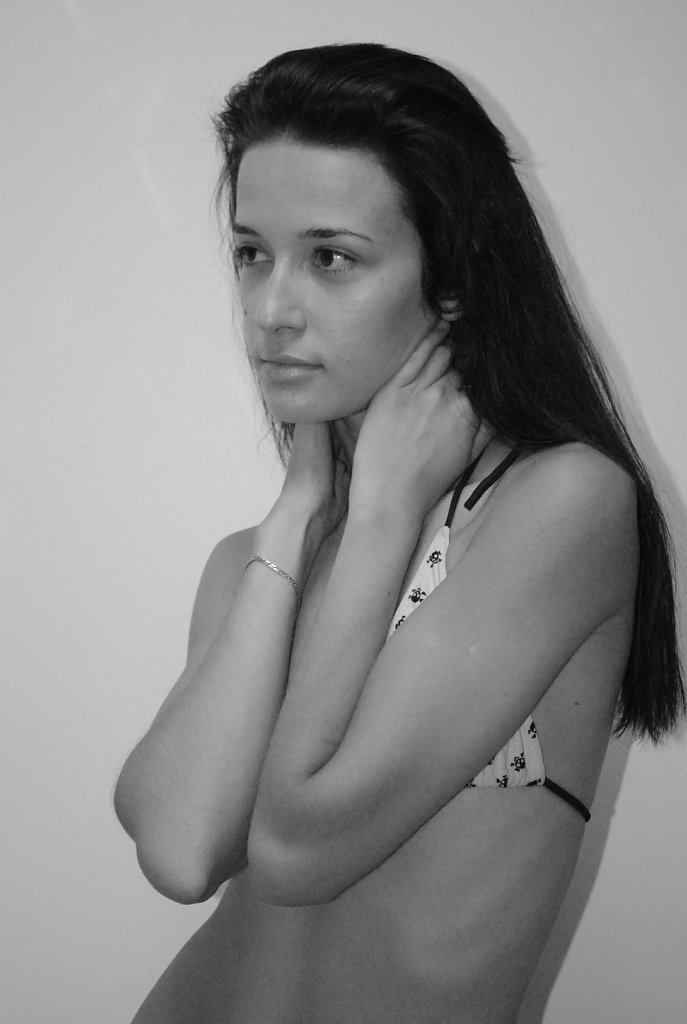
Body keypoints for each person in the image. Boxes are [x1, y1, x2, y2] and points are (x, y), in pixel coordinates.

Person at [114, 43, 685, 1024]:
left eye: (329, 257)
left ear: (450, 277)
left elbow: (295, 850)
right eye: (252, 253)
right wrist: (301, 513)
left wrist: (380, 519)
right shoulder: (255, 558)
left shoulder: (561, 505)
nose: (271, 310)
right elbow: (178, 850)